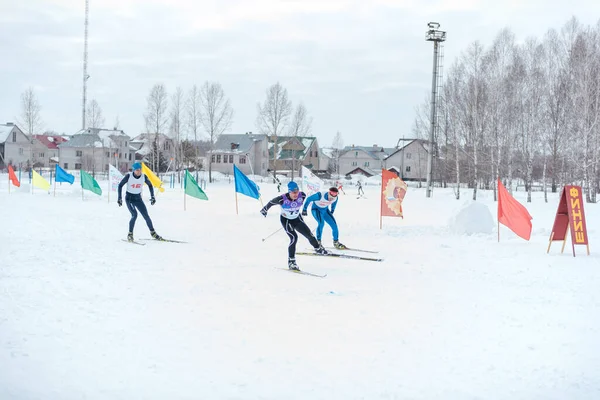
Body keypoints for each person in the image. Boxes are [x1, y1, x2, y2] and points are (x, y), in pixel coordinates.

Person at [260, 181, 328, 270]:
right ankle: (291, 261)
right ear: (289, 192)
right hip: (286, 221)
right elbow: (271, 202)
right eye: (293, 192)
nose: (296, 194)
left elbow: (308, 200)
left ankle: (318, 248)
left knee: (309, 234)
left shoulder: (302, 196)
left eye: (297, 192)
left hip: (297, 219)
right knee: (294, 238)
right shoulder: (282, 199)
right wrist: (264, 210)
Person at [117, 162, 163, 242]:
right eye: (137, 170)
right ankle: (130, 234)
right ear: (134, 170)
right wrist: (119, 198)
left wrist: (152, 196)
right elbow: (120, 185)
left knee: (146, 215)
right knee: (134, 215)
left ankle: (153, 232)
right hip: (129, 198)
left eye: (140, 170)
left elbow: (150, 185)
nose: (139, 172)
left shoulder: (143, 176)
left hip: (138, 198)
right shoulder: (129, 176)